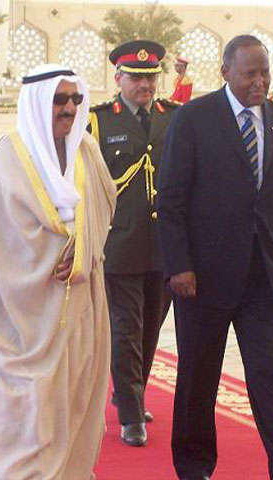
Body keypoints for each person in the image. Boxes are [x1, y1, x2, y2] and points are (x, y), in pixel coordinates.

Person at [158, 34, 273, 480]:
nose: (259, 82)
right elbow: (171, 198)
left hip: (261, 278)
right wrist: (179, 265)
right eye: (249, 74)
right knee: (198, 378)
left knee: (268, 374)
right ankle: (194, 466)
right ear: (226, 72)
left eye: (264, 73)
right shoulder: (193, 119)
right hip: (202, 278)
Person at [0, 65, 116, 478]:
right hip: (17, 315)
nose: (69, 108)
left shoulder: (87, 153)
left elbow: (106, 208)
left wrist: (82, 246)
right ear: (38, 102)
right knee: (23, 413)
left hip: (79, 307)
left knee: (74, 401)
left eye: (75, 99)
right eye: (60, 100)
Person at [87, 39, 179, 447]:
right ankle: (130, 413)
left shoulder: (173, 117)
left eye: (151, 77)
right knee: (126, 328)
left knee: (150, 328)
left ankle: (131, 391)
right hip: (120, 243)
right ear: (118, 78)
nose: (145, 85)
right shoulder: (98, 122)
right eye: (136, 78)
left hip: (164, 244)